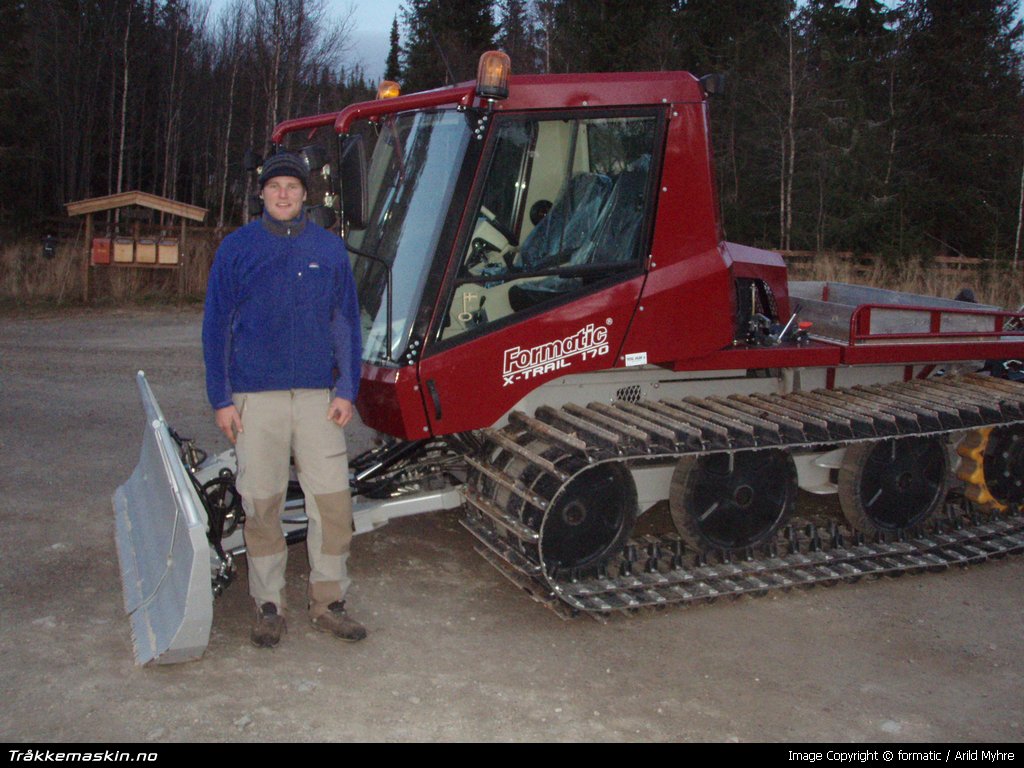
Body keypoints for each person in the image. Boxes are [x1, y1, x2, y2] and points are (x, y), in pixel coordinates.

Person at [202, 151, 365, 648]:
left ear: (304, 194)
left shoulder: (330, 250)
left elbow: (346, 323)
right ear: (262, 193)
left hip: (318, 397)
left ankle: (329, 600)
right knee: (262, 503)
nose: (283, 194)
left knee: (332, 503)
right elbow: (216, 328)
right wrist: (221, 398)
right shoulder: (237, 249)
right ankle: (269, 604)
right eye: (275, 187)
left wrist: (347, 388)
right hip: (256, 397)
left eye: (292, 187)